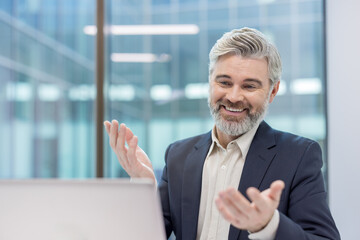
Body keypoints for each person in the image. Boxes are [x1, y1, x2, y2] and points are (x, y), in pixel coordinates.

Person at [104, 27, 340, 240]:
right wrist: (143, 188)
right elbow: (152, 234)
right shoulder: (178, 155)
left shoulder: (298, 156)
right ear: (210, 82)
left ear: (272, 91)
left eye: (249, 86)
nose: (234, 96)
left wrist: (268, 226)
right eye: (224, 82)